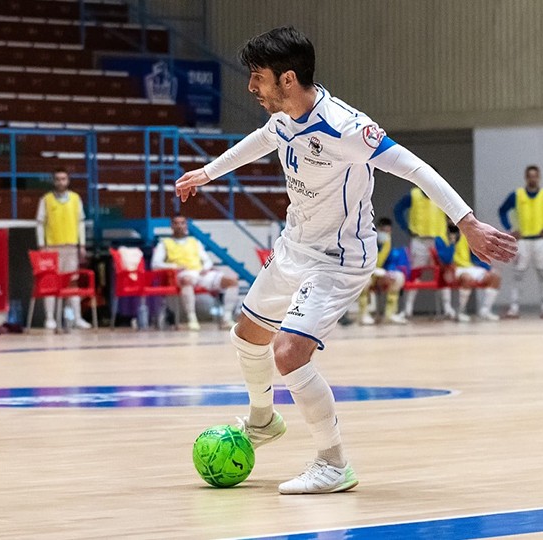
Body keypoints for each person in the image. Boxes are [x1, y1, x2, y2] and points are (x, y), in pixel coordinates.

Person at [174, 26, 517, 495]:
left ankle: (333, 464)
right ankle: (263, 420)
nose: (252, 87)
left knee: (289, 352)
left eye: (259, 77)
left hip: (339, 258)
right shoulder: (283, 118)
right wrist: (208, 173)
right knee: (247, 335)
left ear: (288, 79)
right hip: (295, 245)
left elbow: (416, 167)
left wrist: (467, 221)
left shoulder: (347, 128)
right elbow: (262, 140)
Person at [151, 214, 240, 330]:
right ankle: (191, 319)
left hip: (200, 273)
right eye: (176, 223)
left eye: (182, 223)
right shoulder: (164, 243)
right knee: (187, 280)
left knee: (231, 281)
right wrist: (174, 266)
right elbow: (155, 264)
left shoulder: (194, 242)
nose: (179, 226)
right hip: (182, 273)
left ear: (186, 225)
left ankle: (226, 318)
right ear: (171, 226)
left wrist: (206, 268)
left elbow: (207, 260)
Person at [498, 165, 543, 319]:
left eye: (535, 176)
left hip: (541, 241)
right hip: (523, 241)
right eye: (530, 176)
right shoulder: (517, 195)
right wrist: (510, 228)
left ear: (538, 177)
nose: (532, 179)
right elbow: (502, 210)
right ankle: (514, 308)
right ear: (526, 178)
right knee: (518, 274)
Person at [35, 169, 91, 330]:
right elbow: (40, 223)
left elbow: (81, 222)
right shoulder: (46, 200)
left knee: (72, 283)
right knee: (51, 282)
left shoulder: (75, 199)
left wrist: (82, 244)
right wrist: (41, 245)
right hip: (52, 247)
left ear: (68, 180)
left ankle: (76, 318)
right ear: (54, 181)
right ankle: (50, 318)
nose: (61, 182)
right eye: (58, 179)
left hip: (71, 246)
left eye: (63, 179)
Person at [393, 186, 451, 318]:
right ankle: (407, 309)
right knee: (415, 273)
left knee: (443, 272)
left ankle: (448, 309)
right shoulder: (413, 194)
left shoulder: (443, 193)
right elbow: (398, 210)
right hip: (419, 240)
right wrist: (406, 228)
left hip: (439, 240)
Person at [436, 225, 501, 322]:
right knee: (467, 278)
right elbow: (446, 259)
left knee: (495, 276)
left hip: (469, 266)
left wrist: (487, 268)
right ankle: (460, 312)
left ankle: (485, 311)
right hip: (454, 268)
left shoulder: (466, 236)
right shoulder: (441, 237)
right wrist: (452, 241)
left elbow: (475, 255)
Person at [357, 217, 407, 325]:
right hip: (366, 274)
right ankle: (363, 314)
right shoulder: (365, 242)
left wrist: (389, 272)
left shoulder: (388, 244)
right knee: (364, 283)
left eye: (388, 231)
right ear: (377, 229)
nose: (386, 234)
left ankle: (390, 314)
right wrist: (372, 271)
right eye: (383, 231)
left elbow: (391, 261)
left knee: (398, 278)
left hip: (381, 276)